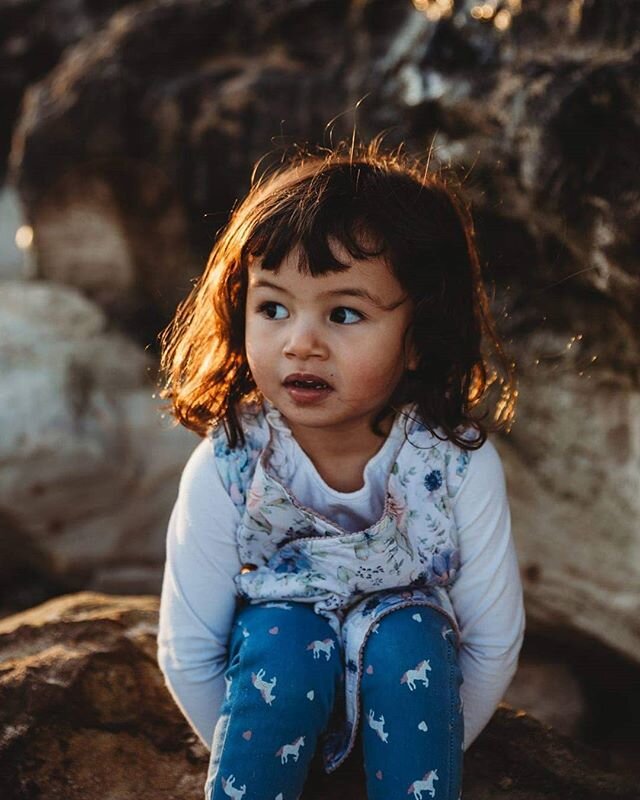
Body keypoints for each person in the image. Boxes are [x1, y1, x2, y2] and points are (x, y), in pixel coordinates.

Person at [157, 138, 526, 800]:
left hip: (411, 684)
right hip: (279, 687)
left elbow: (492, 641)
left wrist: (427, 757)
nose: (300, 341)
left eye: (344, 313)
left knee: (408, 634)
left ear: (419, 338)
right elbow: (190, 649)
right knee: (283, 635)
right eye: (273, 307)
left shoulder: (454, 465)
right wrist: (267, 767)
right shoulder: (232, 463)